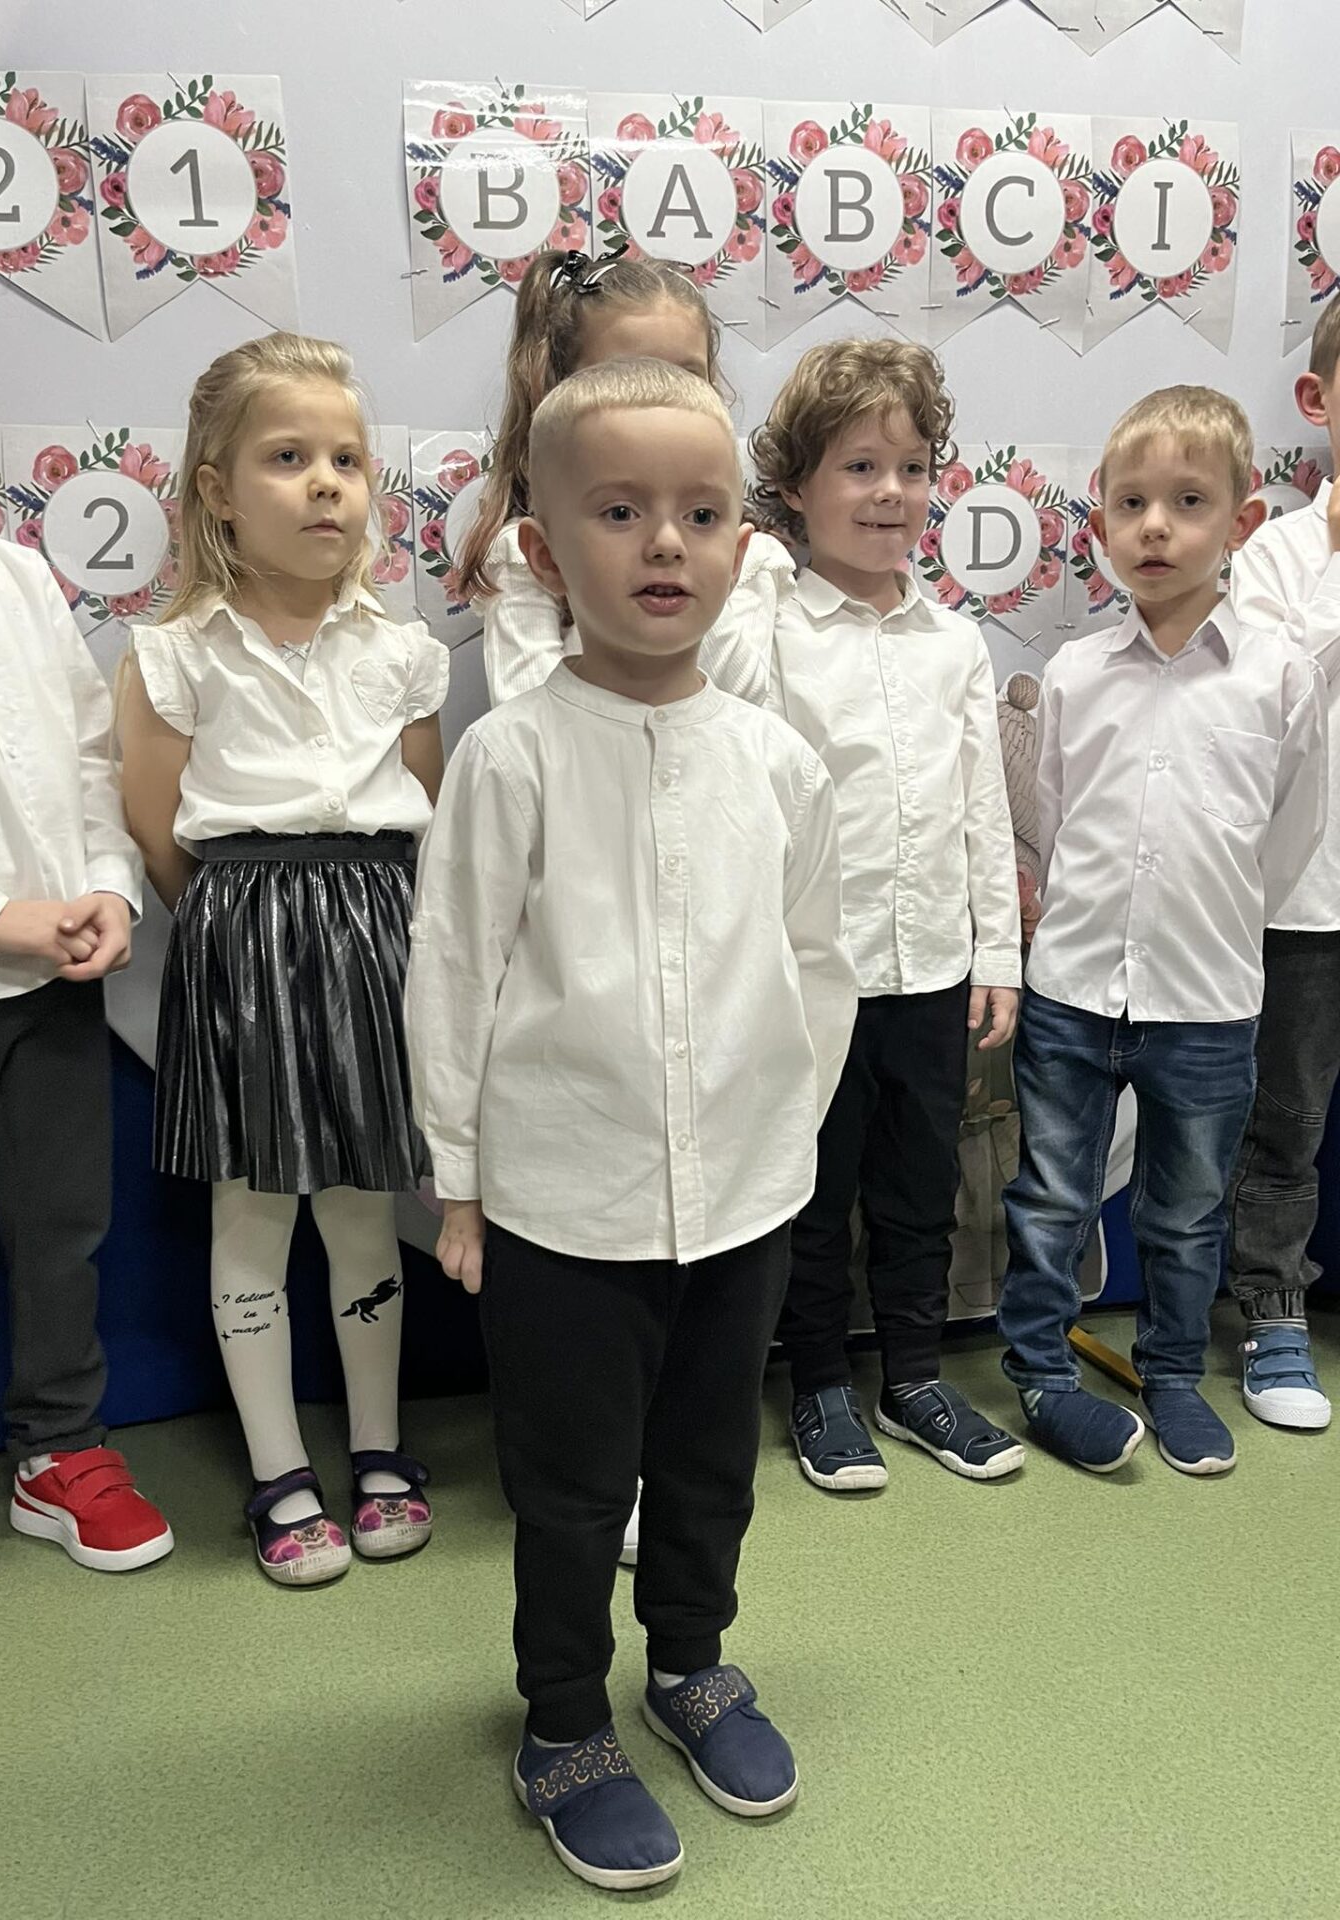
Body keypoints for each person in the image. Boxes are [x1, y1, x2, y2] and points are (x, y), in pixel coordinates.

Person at [406, 358, 853, 1891]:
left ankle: (690, 1664)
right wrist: (462, 1184)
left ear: (745, 544)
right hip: (563, 1206)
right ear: (541, 548)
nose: (664, 543)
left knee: (712, 1464)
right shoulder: (512, 755)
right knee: (574, 1485)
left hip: (742, 1200)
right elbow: (455, 970)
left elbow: (816, 967)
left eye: (701, 514)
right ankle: (560, 1722)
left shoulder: (778, 763)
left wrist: (783, 1139)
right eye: (618, 512)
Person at [459, 245, 796, 1568]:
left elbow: (808, 934)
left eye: (687, 380)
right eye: (625, 381)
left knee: (709, 1424)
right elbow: (467, 951)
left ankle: (687, 1627)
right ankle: (568, 1629)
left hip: (724, 1079)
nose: (664, 537)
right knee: (578, 1442)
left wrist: (774, 1103)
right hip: (581, 1087)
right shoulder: (519, 672)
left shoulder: (756, 627)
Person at [120, 333, 446, 1585]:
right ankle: (277, 1472)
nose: (325, 484)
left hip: (376, 927)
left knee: (364, 1209)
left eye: (347, 461)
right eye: (288, 457)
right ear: (216, 489)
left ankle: (379, 1449)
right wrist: (245, 936)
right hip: (242, 935)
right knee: (251, 1213)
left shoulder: (401, 652)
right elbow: (159, 830)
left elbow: (420, 807)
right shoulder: (174, 655)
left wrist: (363, 924)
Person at [0, 234, 172, 1649]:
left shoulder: (12, 572)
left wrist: (105, 886)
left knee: (64, 1229)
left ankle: (58, 1451)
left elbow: (81, 753)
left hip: (55, 968)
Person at [998, 386, 1328, 1476]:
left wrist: (1210, 923)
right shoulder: (1076, 676)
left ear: (1241, 522)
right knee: (1050, 1196)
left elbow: (1287, 839)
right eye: (1131, 502)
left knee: (1186, 1211)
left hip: (1209, 1000)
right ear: (1099, 518)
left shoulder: (1280, 677)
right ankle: (1041, 1373)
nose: (1155, 527)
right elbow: (1052, 824)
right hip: (1074, 991)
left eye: (1188, 502)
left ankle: (1174, 1372)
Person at [750, 339, 1025, 1489]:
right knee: (815, 1197)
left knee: (920, 1190)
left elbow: (982, 806)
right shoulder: (770, 630)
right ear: (796, 485)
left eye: (912, 468)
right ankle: (819, 1383)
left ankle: (913, 1378)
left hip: (933, 969)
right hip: (815, 977)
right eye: (859, 467)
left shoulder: (953, 641)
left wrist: (997, 951)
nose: (890, 493)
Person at [458, 246, 794, 710]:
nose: (659, 403)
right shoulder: (532, 553)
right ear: (561, 393)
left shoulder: (749, 555)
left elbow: (742, 700)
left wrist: (703, 564)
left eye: (685, 379)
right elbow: (525, 712)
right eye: (625, 376)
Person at [1225, 299, 1340, 1431]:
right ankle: (1271, 1307)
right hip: (1309, 897)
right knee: (1287, 1122)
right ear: (1317, 400)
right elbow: (1271, 700)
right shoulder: (1278, 554)